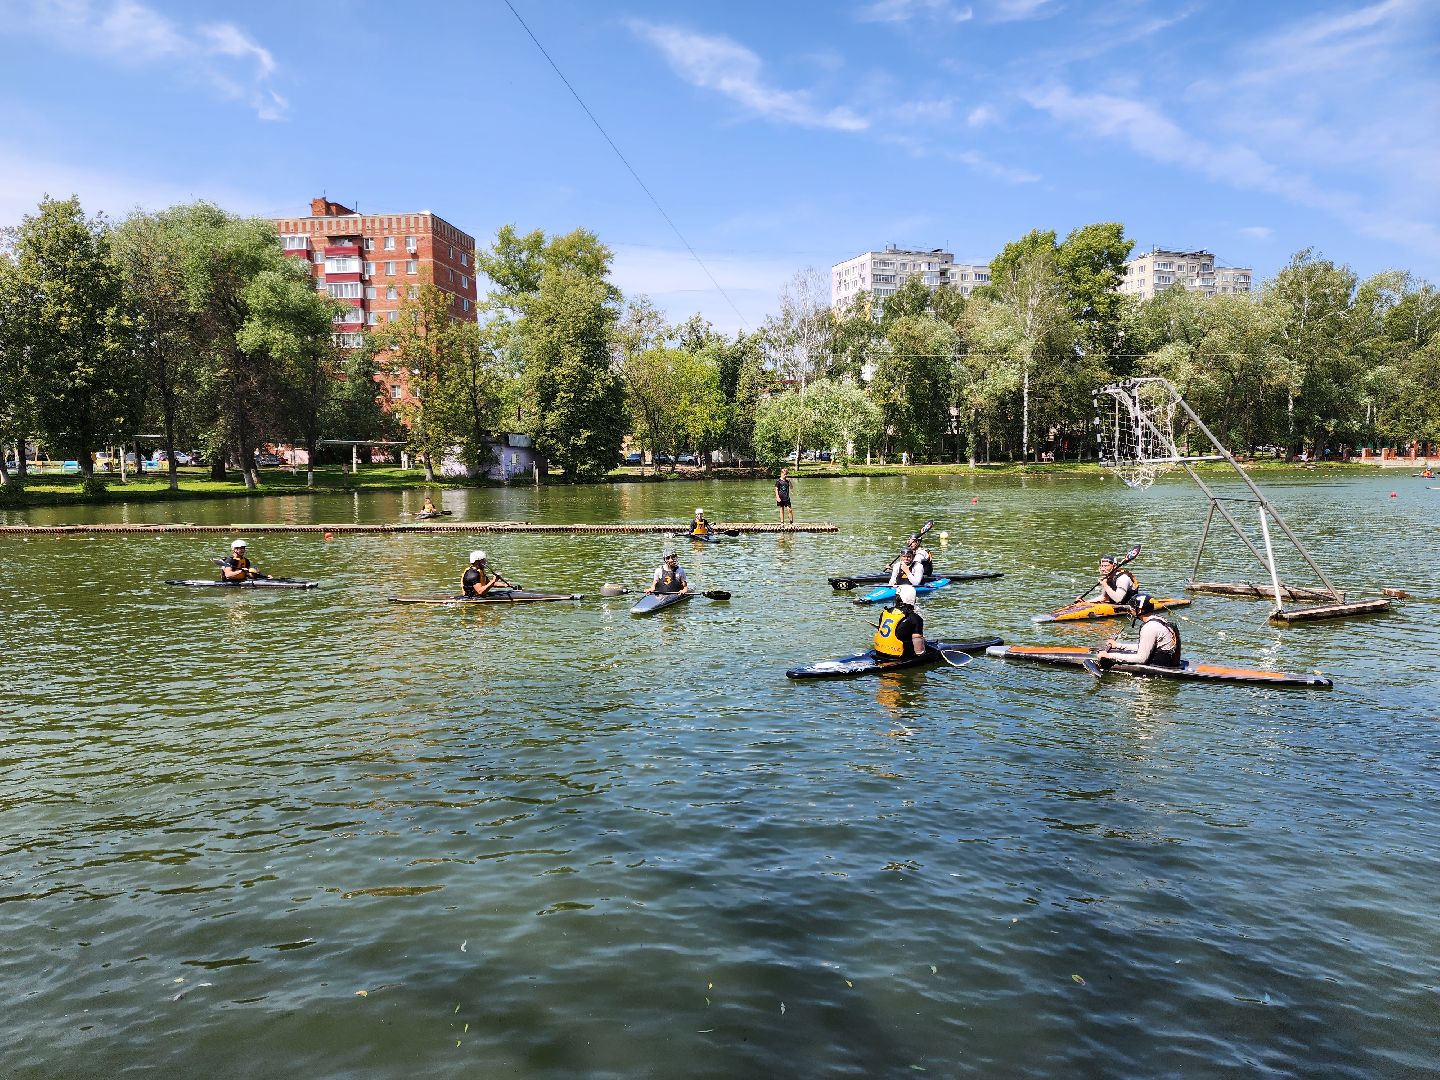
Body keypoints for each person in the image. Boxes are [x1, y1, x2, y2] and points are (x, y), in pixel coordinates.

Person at [1098, 594, 1182, 668]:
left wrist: (1109, 656)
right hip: (1167, 660)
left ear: (1140, 610)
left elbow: (1141, 658)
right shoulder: (1159, 619)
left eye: (1132, 608)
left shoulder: (1149, 627)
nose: (1130, 610)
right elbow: (1144, 647)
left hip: (1158, 665)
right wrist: (1118, 645)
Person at [873, 583, 926, 660]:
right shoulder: (915, 618)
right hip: (898, 657)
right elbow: (919, 652)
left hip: (878, 652)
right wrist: (924, 653)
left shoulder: (885, 612)